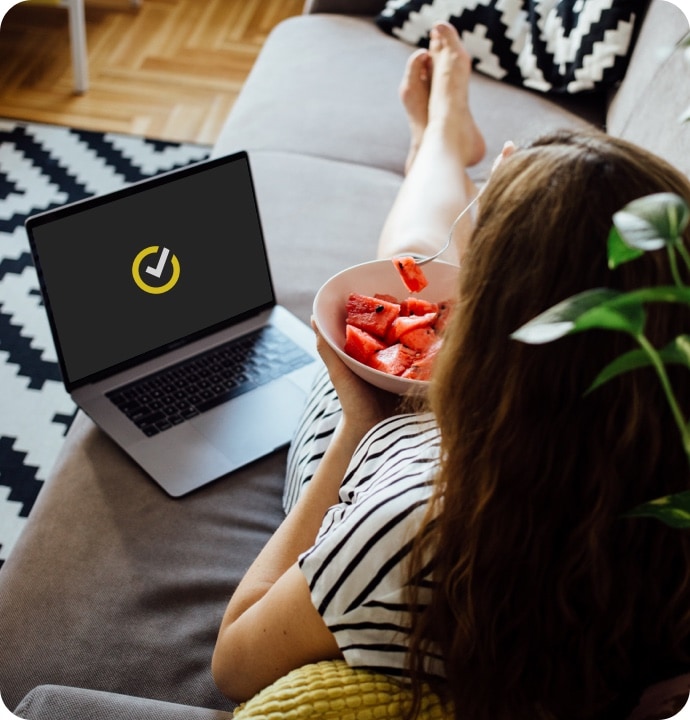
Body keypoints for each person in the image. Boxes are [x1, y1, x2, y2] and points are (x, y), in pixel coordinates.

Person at [211, 21, 690, 720]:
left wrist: (357, 429)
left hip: (380, 448)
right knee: (421, 262)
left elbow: (232, 663)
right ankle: (440, 139)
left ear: (490, 352)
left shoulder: (413, 532)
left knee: (413, 259)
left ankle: (439, 140)